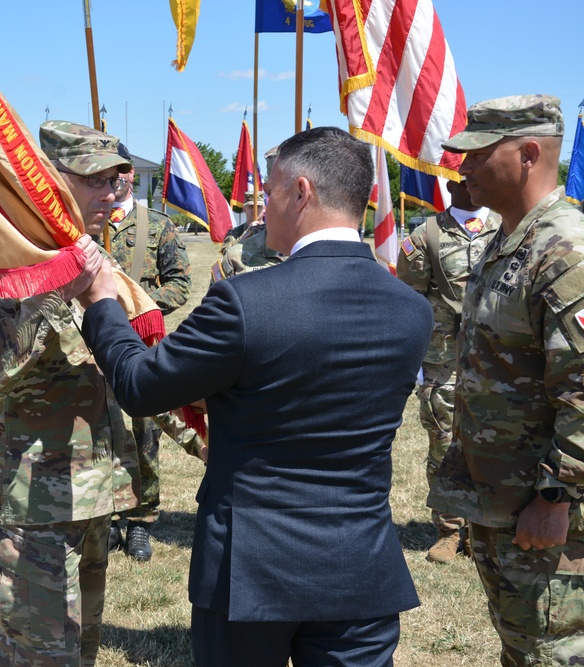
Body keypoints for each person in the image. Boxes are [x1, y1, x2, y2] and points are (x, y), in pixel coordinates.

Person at [77, 126, 432, 666]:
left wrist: (103, 302)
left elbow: (141, 386)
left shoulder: (246, 303)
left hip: (251, 571)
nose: (263, 208)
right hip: (360, 568)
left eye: (269, 192)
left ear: (301, 193)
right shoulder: (412, 310)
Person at [0, 120, 140, 665]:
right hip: (27, 505)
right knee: (37, 654)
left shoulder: (102, 267)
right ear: (51, 186)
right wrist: (47, 299)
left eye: (117, 181)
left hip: (92, 494)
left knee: (78, 649)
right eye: (95, 181)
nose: (111, 194)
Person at [428, 94, 584, 665]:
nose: (462, 167)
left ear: (527, 154)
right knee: (523, 648)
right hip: (503, 503)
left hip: (550, 517)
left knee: (554, 652)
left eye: (477, 154)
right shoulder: (509, 239)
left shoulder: (566, 249)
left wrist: (556, 496)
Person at [396, 179, 500, 563]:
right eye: (459, 175)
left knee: (496, 443)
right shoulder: (426, 236)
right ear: (446, 181)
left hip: (500, 361)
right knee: (444, 444)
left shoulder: (511, 230)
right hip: (444, 361)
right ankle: (449, 530)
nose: (470, 182)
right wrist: (415, 363)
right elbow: (409, 302)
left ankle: (485, 528)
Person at [106, 146, 192, 561]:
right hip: (90, 344)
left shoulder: (157, 227)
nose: (118, 179)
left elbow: (179, 284)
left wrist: (136, 307)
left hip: (141, 345)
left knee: (146, 433)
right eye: (109, 172)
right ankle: (104, 518)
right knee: (98, 430)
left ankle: (141, 521)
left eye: (124, 171)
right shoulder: (81, 225)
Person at [211, 190, 285, 283]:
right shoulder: (234, 233)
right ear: (244, 209)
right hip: (242, 276)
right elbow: (227, 256)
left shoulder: (272, 231)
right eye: (251, 206)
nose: (255, 210)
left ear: (264, 209)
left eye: (259, 206)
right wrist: (247, 233)